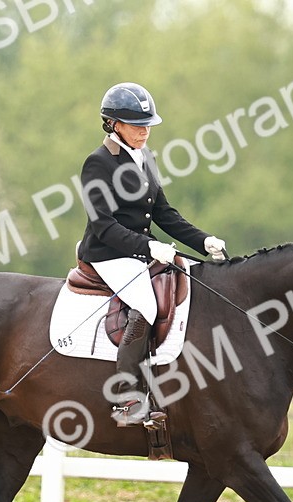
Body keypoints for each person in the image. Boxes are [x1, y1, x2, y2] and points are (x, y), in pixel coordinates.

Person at [77, 82, 227, 426]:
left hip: (143, 252)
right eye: (136, 125)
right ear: (114, 125)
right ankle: (126, 398)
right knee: (145, 304)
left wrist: (202, 241)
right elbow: (103, 225)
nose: (145, 132)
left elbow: (164, 214)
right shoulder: (97, 163)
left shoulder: (146, 157)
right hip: (108, 253)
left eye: (148, 125)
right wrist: (148, 246)